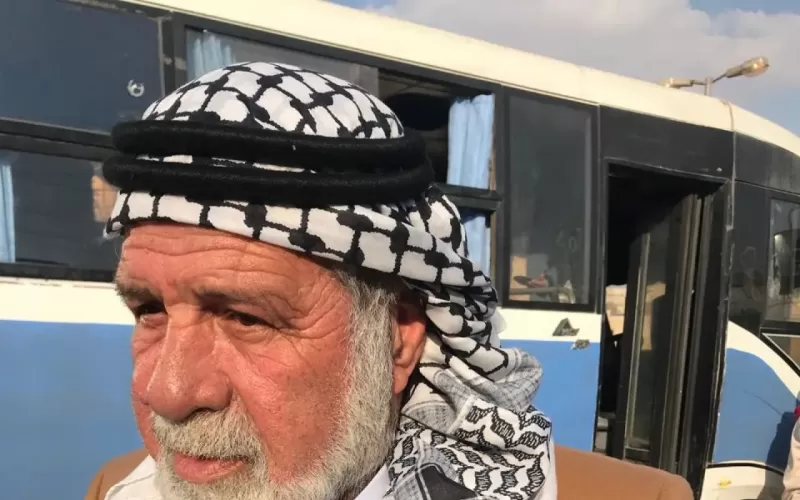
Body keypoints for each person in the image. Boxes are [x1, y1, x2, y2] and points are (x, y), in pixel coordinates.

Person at [88, 61, 556, 500]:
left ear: (398, 338)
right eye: (149, 310)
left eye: (245, 318)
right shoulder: (121, 488)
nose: (167, 394)